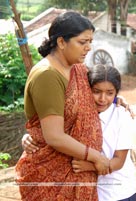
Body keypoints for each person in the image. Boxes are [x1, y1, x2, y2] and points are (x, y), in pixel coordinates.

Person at [15, 11, 110, 201]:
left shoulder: (77, 68)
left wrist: (116, 100)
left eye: (90, 42)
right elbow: (54, 136)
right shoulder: (47, 75)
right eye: (82, 42)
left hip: (78, 172)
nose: (89, 48)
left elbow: (97, 94)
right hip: (50, 177)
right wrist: (96, 157)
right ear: (61, 42)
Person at [22, 64, 136, 201]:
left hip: (118, 192)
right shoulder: (76, 115)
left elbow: (118, 162)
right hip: (89, 192)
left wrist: (89, 166)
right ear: (86, 90)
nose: (102, 98)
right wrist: (29, 138)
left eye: (109, 93)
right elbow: (55, 133)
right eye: (96, 91)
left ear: (116, 93)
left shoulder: (121, 116)